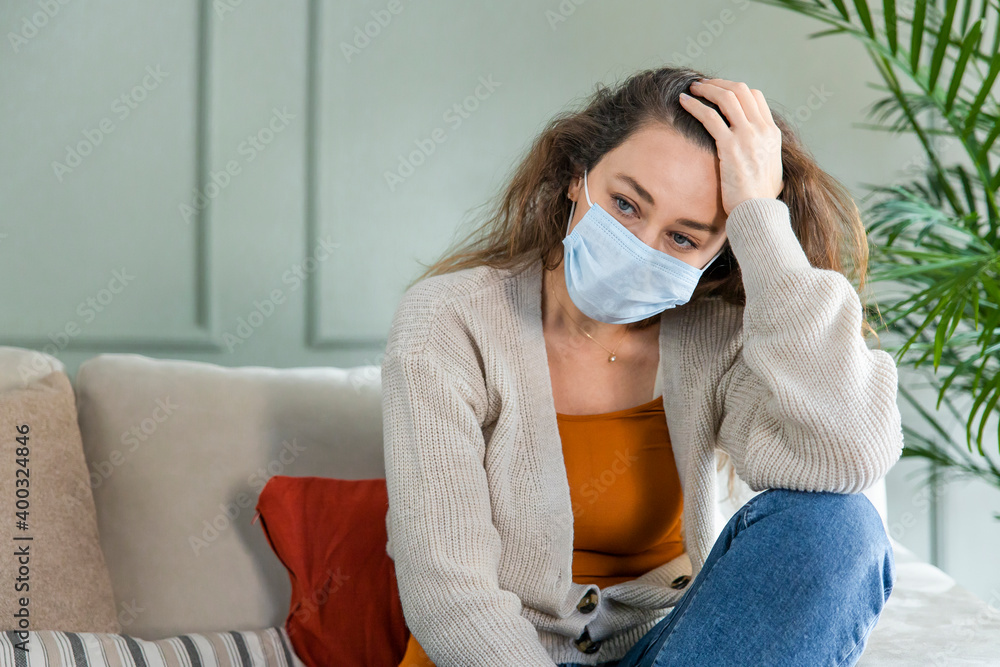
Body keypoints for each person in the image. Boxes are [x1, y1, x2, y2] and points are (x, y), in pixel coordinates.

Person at [381, 65, 902, 667]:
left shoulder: (718, 337)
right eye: (626, 204)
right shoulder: (450, 321)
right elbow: (449, 593)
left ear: (721, 251)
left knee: (840, 527)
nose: (640, 246)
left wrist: (761, 218)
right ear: (578, 178)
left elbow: (846, 458)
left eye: (684, 238)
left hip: (666, 655)